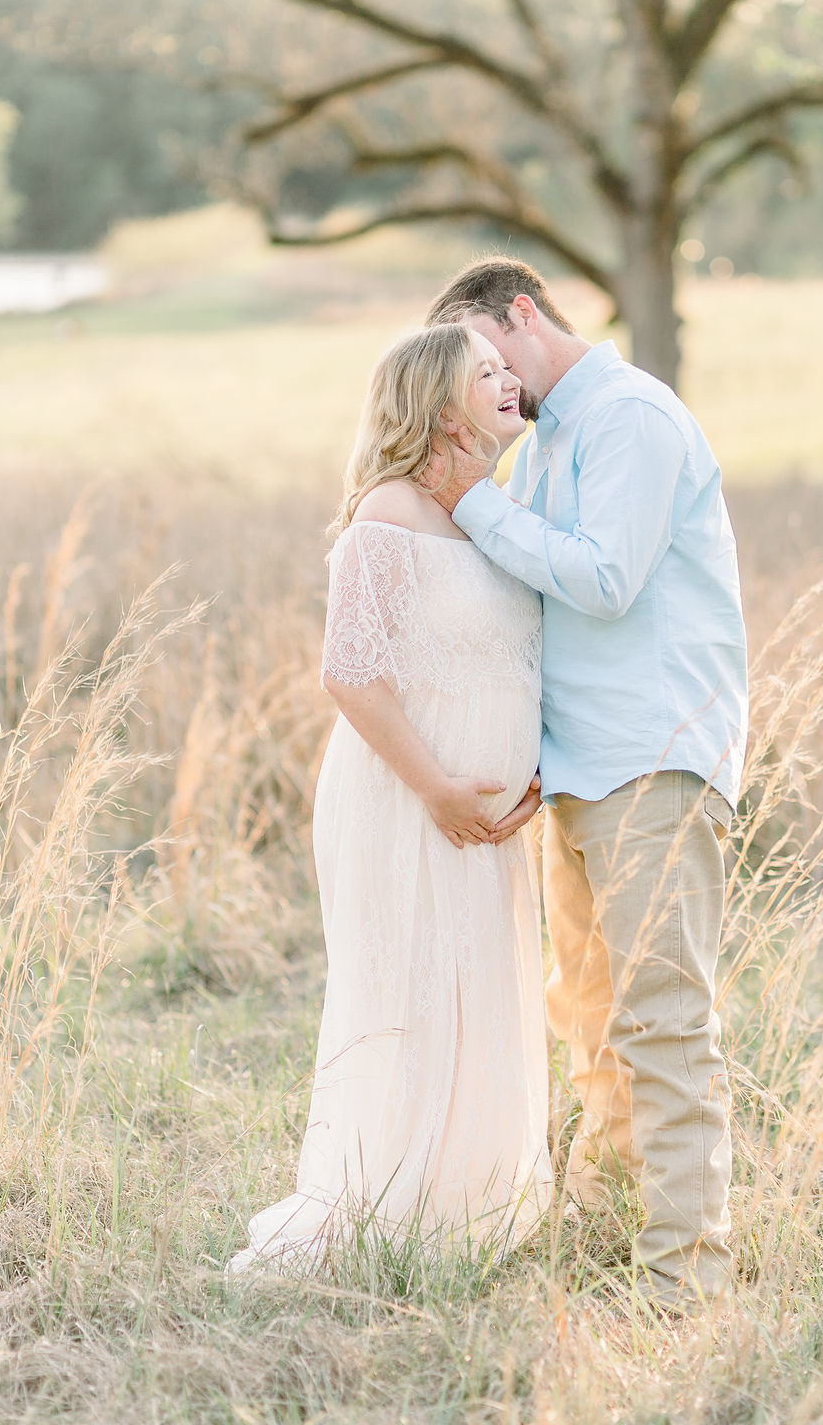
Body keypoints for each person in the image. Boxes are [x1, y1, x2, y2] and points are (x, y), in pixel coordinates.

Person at [424, 260, 748, 1314]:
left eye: (487, 357)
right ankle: (621, 1230)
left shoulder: (630, 419)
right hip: (577, 770)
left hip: (652, 756)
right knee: (591, 1018)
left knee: (663, 1023)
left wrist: (473, 504)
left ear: (524, 313)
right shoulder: (549, 445)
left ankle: (683, 1289)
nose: (492, 383)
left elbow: (605, 579)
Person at [228, 323, 552, 1274]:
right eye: (484, 373)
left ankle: (465, 1208)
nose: (507, 381)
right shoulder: (387, 515)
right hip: (405, 802)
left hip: (484, 818)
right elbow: (351, 674)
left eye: (506, 367)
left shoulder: (490, 507)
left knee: (481, 992)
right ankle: (379, 1209)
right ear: (438, 405)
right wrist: (440, 787)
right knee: (415, 992)